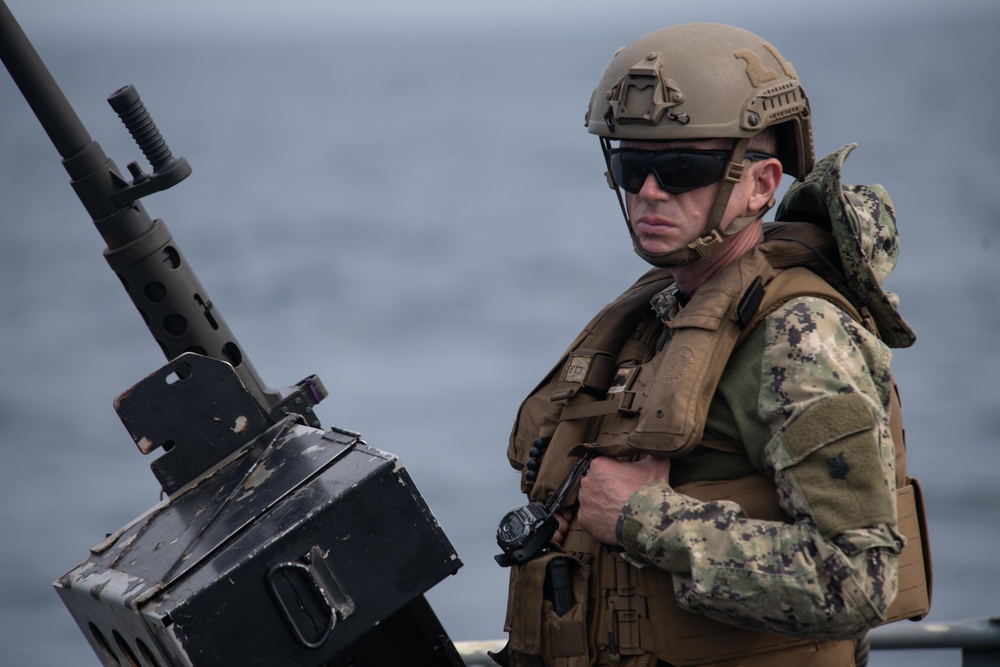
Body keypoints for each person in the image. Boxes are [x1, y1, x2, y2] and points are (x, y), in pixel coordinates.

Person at [496, 23, 930, 667]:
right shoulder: (664, 313)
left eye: (680, 168)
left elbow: (857, 581)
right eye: (631, 165)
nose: (647, 192)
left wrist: (643, 519)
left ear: (760, 185)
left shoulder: (799, 337)